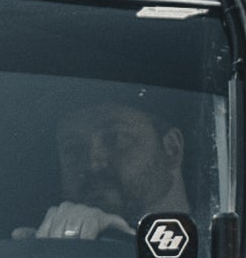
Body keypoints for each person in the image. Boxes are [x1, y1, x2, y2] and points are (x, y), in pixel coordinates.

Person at [28, 95, 193, 240]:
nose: (94, 164)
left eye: (115, 139)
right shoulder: (45, 255)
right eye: (74, 149)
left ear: (172, 149)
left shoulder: (213, 253)